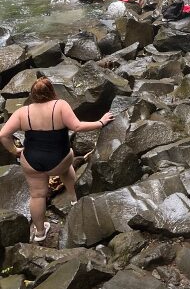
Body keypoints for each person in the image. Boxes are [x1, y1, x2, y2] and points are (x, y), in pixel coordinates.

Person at [0, 77, 114, 241]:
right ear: (51, 91)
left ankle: (39, 233)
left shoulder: (22, 112)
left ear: (32, 94)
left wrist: (14, 150)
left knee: (37, 196)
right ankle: (74, 198)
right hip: (59, 161)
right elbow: (77, 127)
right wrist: (101, 122)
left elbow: (3, 135)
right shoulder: (60, 106)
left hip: (32, 162)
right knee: (68, 166)